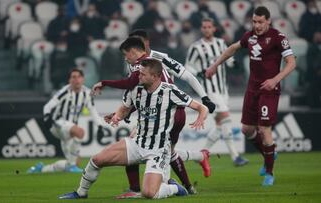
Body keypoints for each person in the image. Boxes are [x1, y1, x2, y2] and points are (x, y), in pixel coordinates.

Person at [58, 58, 209, 199]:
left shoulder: (170, 91)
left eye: (143, 74)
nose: (138, 76)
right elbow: (124, 108)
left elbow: (201, 107)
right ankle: (81, 193)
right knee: (97, 159)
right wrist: (117, 116)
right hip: (136, 143)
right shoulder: (135, 90)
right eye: (139, 73)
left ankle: (175, 188)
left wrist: (200, 118)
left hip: (158, 149)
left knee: (149, 193)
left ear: (155, 76)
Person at [92, 36, 213, 197]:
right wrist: (123, 113)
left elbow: (186, 75)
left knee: (158, 147)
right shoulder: (138, 66)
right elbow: (141, 94)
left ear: (139, 46)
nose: (125, 57)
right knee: (160, 148)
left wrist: (204, 97)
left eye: (126, 53)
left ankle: (156, 187)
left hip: (171, 109)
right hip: (160, 109)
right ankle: (190, 174)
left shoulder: (156, 59)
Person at [205, 6, 296, 186]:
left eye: (260, 22)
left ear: (268, 21)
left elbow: (291, 63)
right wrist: (215, 65)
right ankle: (268, 154)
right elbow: (232, 48)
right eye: (254, 21)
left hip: (269, 90)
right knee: (247, 129)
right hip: (252, 89)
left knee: (264, 129)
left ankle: (269, 173)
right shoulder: (249, 36)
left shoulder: (278, 38)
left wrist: (275, 79)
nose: (257, 25)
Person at [185, 18, 249, 167]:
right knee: (226, 118)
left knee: (220, 124)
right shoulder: (196, 47)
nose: (206, 29)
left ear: (214, 29)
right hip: (208, 89)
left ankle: (202, 154)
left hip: (222, 89)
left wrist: (234, 64)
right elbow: (187, 66)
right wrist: (199, 73)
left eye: (209, 27)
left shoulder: (220, 43)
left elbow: (227, 58)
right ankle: (235, 157)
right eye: (204, 27)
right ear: (201, 29)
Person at [27, 68, 104, 173]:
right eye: (73, 77)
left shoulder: (87, 93)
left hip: (69, 129)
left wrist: (100, 126)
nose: (76, 80)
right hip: (58, 123)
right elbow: (48, 106)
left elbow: (93, 111)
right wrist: (47, 118)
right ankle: (71, 166)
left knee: (74, 162)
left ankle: (41, 169)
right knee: (80, 132)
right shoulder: (64, 92)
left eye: (78, 77)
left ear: (83, 79)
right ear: (69, 80)